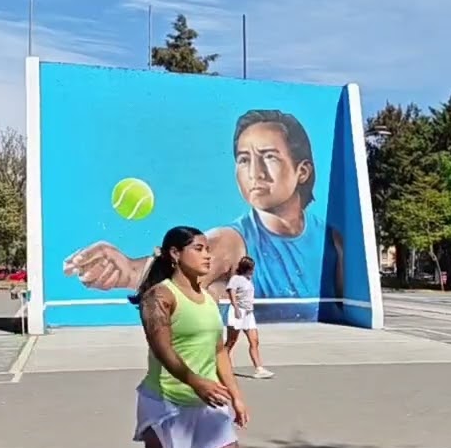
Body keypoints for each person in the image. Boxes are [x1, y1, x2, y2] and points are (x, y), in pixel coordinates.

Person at [63, 110, 346, 315]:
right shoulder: (233, 241)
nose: (254, 172)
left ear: (303, 171)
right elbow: (178, 269)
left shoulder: (332, 241)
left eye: (269, 157)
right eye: (243, 159)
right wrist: (129, 272)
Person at [131, 225, 249, 448]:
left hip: (209, 404)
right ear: (174, 254)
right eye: (199, 248)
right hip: (167, 404)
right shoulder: (158, 297)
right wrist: (195, 381)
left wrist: (236, 394)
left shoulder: (209, 299)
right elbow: (163, 348)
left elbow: (218, 353)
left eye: (208, 248)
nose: (208, 255)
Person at [225, 255, 274, 379]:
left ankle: (259, 369)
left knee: (254, 341)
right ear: (246, 268)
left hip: (248, 313)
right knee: (231, 341)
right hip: (238, 311)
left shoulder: (248, 280)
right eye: (251, 268)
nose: (253, 270)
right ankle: (222, 366)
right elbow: (232, 292)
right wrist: (236, 308)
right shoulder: (236, 279)